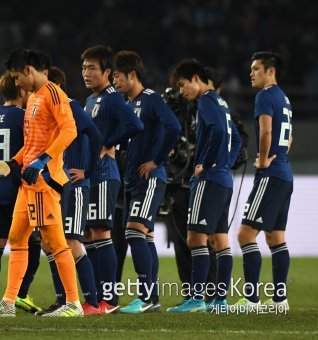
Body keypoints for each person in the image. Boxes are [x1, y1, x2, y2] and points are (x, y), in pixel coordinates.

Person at [0, 48, 81, 317]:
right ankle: (9, 302)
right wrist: (13, 163)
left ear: (29, 70)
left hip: (44, 181)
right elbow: (32, 144)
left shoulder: (54, 93)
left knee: (55, 243)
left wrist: (42, 161)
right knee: (16, 238)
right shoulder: (33, 98)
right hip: (28, 181)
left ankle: (73, 303)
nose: (16, 83)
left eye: (16, 76)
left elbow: (70, 130)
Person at [167, 59, 241, 313]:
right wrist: (226, 163)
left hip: (209, 180)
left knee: (195, 238)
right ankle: (219, 300)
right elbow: (237, 138)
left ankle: (197, 298)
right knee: (220, 240)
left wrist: (207, 164)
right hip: (223, 180)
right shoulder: (221, 102)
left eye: (183, 85)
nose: (181, 91)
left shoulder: (206, 102)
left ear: (197, 79)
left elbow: (219, 132)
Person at [112, 51, 181, 313]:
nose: (115, 81)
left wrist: (157, 159)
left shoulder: (151, 100)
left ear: (132, 75)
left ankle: (146, 297)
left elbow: (173, 127)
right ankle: (151, 299)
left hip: (150, 178)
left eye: (117, 76)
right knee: (145, 237)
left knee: (133, 232)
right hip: (131, 181)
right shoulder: (127, 104)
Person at [81, 45, 144, 313]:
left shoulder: (112, 97)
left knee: (101, 233)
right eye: (83, 67)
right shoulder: (91, 100)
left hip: (106, 174)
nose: (86, 73)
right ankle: (95, 299)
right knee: (88, 235)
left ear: (107, 71)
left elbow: (135, 125)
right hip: (90, 174)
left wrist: (109, 143)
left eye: (91, 68)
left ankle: (109, 299)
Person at [36, 66, 102, 316]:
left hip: (75, 186)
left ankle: (92, 303)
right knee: (49, 242)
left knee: (72, 241)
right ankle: (62, 298)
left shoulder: (71, 105)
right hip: (57, 187)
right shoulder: (51, 112)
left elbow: (95, 135)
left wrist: (88, 170)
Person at [0, 72, 42, 313]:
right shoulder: (24, 118)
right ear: (22, 91)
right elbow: (32, 151)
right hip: (17, 191)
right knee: (30, 243)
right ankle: (19, 295)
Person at [232, 52, 293, 312]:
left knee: (245, 235)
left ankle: (252, 299)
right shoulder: (285, 99)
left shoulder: (265, 96)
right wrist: (277, 157)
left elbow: (267, 130)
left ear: (270, 71)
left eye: (256, 68)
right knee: (275, 237)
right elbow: (289, 140)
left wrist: (265, 159)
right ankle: (280, 300)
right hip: (285, 174)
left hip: (270, 175)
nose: (251, 73)